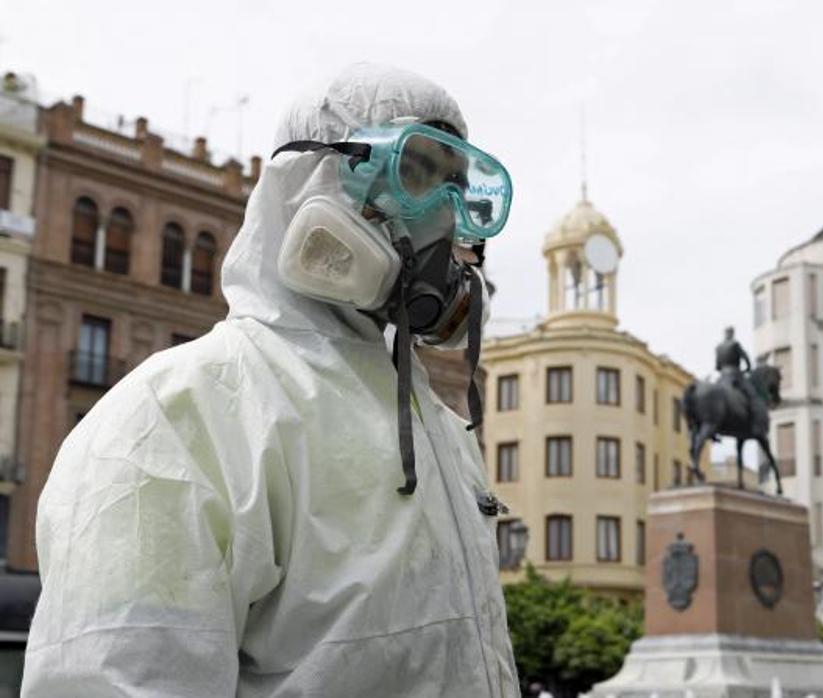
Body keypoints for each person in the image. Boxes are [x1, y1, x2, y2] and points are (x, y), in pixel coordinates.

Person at [23, 64, 520, 696]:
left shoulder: (444, 434)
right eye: (416, 171)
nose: (444, 218)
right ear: (314, 180)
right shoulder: (175, 416)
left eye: (457, 188)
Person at [715, 326, 755, 412]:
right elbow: (745, 357)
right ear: (732, 334)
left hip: (722, 375)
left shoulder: (718, 347)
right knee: (751, 392)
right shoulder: (735, 344)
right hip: (735, 373)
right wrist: (748, 368)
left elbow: (717, 366)